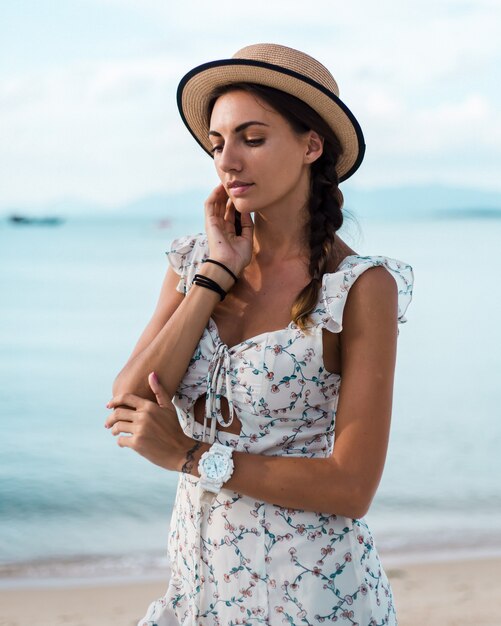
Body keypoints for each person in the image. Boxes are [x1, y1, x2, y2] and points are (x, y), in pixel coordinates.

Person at [105, 43, 414, 625]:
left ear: (310, 146)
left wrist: (193, 455)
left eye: (252, 138)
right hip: (200, 589)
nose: (227, 161)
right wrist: (213, 278)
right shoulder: (195, 264)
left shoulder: (358, 288)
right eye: (217, 144)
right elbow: (131, 402)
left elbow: (352, 486)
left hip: (313, 595)